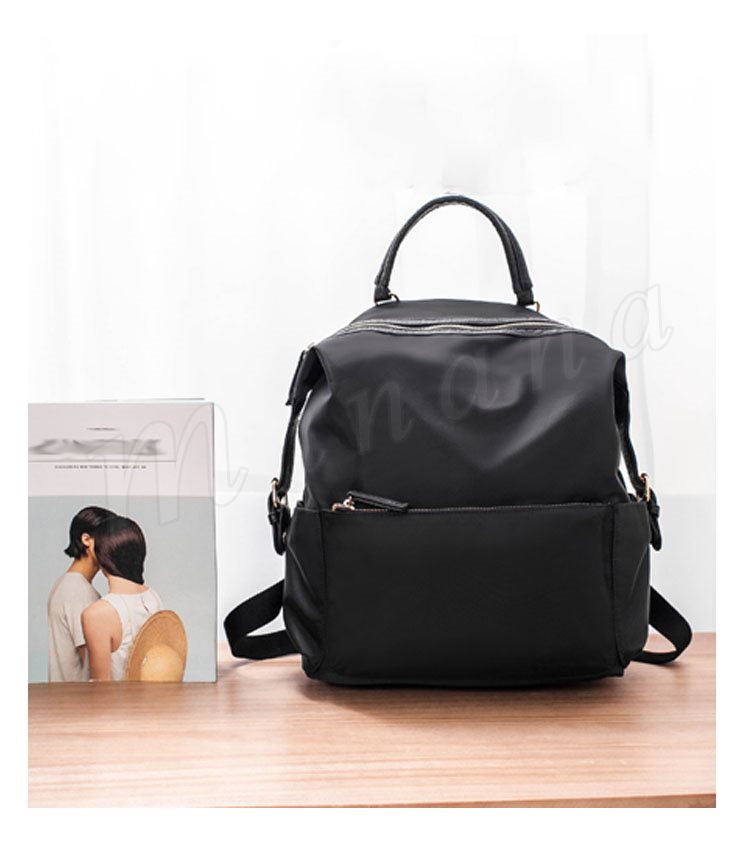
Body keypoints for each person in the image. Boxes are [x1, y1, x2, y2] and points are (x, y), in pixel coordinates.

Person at [82, 516, 163, 681]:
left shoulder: (96, 614)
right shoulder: (154, 598)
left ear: (101, 556)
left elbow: (100, 689)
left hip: (118, 699)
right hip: (156, 697)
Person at [47, 506, 116, 682]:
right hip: (79, 697)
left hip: (68, 696)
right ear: (86, 540)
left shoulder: (69, 584)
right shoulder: (77, 590)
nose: (113, 546)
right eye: (107, 539)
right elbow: (93, 666)